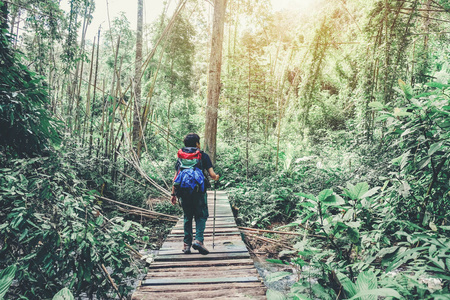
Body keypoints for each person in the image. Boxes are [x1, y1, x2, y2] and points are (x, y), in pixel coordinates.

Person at [170, 133, 219, 255]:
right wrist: (217, 177)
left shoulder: (181, 157)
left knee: (187, 216)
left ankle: (186, 245)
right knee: (201, 215)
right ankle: (198, 241)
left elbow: (176, 177)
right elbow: (212, 176)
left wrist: (173, 194)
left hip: (183, 191)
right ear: (197, 143)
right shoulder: (202, 156)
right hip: (198, 191)